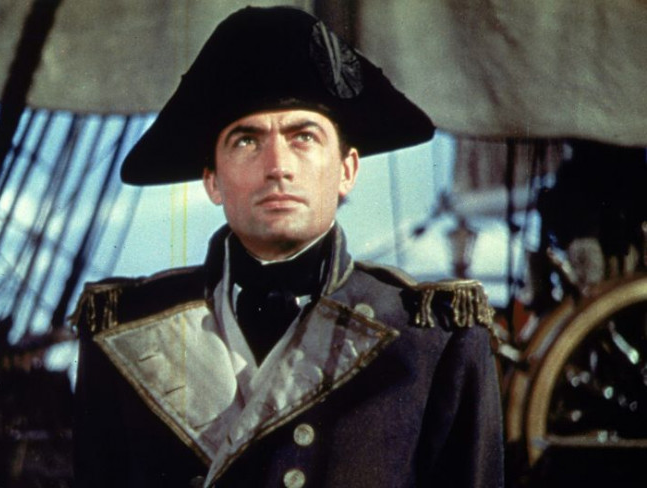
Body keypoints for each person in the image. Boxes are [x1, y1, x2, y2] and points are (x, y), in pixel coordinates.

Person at [73, 6, 503, 488]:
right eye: (246, 141)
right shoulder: (124, 332)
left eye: (303, 137)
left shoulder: (431, 340)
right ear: (212, 181)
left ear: (347, 171)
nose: (277, 165)